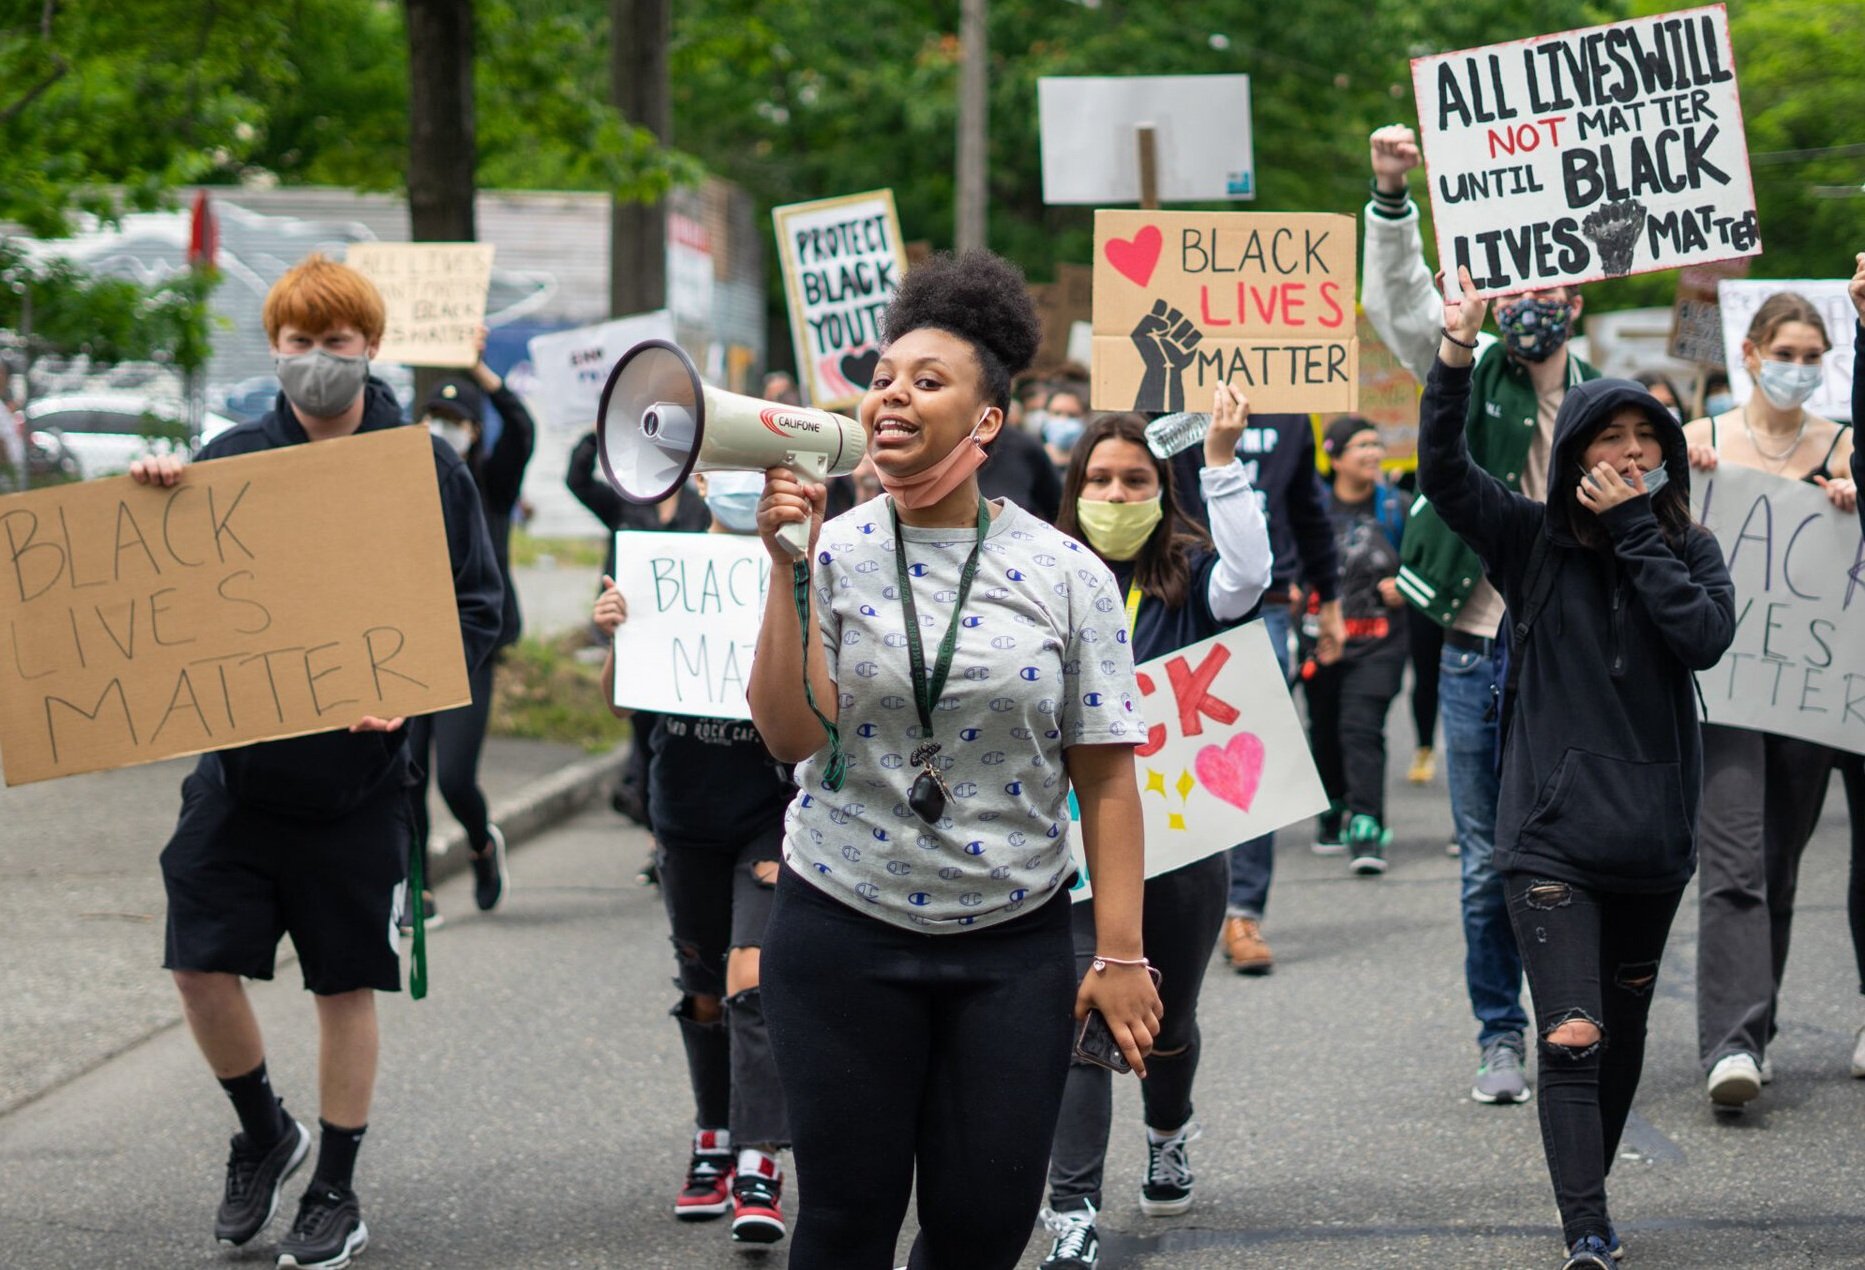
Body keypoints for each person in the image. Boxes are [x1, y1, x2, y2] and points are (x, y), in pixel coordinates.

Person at [747, 250, 1162, 1270]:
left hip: (1009, 942)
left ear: (986, 422)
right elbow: (792, 737)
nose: (891, 393)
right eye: (882, 377)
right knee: (845, 1219)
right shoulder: (833, 549)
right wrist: (785, 574)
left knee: (982, 1225)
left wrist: (1116, 953)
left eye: (926, 380)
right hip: (839, 924)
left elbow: (1105, 773)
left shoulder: (1067, 572)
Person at [130, 254, 502, 1269]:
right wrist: (161, 497)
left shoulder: (423, 465)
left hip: (358, 787)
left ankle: (334, 1185)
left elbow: (478, 609)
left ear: (370, 348)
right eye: (300, 344)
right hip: (239, 777)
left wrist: (412, 689)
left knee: (343, 984)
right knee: (197, 960)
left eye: (337, 344)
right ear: (275, 351)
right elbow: (171, 590)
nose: (319, 362)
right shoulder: (232, 455)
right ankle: (264, 1132)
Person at [1423, 265, 1735, 1270]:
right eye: (1609, 439)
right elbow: (1440, 472)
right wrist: (1451, 354)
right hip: (1548, 834)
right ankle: (1586, 1230)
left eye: (1645, 442)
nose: (1629, 455)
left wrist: (1638, 529)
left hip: (1650, 837)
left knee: (1624, 1027)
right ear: (1569, 457)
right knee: (1570, 1031)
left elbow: (1699, 639)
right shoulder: (1527, 545)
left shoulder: (1686, 549)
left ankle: (1583, 1186)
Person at [1364, 123, 1600, 1104]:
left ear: (1576, 297)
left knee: (1558, 853)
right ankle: (1496, 1032)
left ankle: (1565, 1016)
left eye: (1553, 287)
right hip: (1469, 650)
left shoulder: (1603, 401)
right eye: (1521, 285)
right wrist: (1389, 198)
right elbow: (1406, 302)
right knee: (1479, 861)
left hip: (1563, 662)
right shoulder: (1471, 368)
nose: (1534, 303)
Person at [1038, 401, 1271, 1268]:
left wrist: (1220, 458)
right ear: (1074, 488)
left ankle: (1168, 1129)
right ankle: (1072, 1210)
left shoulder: (1194, 575)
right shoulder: (1040, 574)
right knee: (1079, 1019)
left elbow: (1252, 573)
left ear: (1161, 491)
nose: (1114, 491)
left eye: (1134, 479)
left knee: (1165, 1025)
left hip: (1180, 846)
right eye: (1097, 478)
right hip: (1067, 847)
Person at [593, 469, 794, 1247]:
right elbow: (621, 702)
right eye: (730, 469)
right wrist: (618, 633)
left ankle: (758, 1159)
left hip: (771, 816)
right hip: (684, 816)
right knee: (704, 989)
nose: (744, 484)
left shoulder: (791, 567)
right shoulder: (660, 568)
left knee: (753, 976)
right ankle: (712, 1136)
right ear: (702, 479)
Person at [1682, 290, 1858, 1108]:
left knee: (1777, 861)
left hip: (1811, 691)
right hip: (1726, 692)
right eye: (1782, 352)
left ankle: (1759, 1020)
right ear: (1749, 353)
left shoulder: (1847, 449)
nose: (1795, 368)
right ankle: (1731, 1042)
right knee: (1732, 857)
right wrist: (1679, 492)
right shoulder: (1698, 442)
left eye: (1809, 357)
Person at [1170, 413, 1342, 975]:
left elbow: (1308, 510)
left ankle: (1242, 910)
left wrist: (1330, 598)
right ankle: (1169, 909)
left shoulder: (1290, 413)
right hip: (1176, 593)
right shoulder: (1166, 399)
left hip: (1264, 604)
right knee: (1168, 754)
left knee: (1246, 764)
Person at [403, 330, 536, 927]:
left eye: (454, 420)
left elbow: (523, 428)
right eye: (433, 417)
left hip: (469, 646)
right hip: (406, 643)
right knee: (407, 772)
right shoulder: (401, 484)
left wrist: (480, 370)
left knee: (455, 777)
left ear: (474, 432)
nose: (443, 429)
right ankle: (417, 887)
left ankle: (482, 845)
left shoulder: (492, 482)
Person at [1303, 416, 1409, 875]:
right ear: (1336, 456)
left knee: (1361, 726)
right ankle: (1332, 805)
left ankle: (1367, 823)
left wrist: (1406, 584)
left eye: (1375, 442)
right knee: (1324, 726)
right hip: (1323, 641)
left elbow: (1428, 563)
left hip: (1381, 643)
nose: (1372, 451)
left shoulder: (1399, 508)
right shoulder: (1312, 509)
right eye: (1360, 444)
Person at [1039, 386, 1089, 467]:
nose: (1063, 420)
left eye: (1072, 415)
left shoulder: (1090, 461)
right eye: (1057, 413)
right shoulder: (1033, 458)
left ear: (1084, 418)